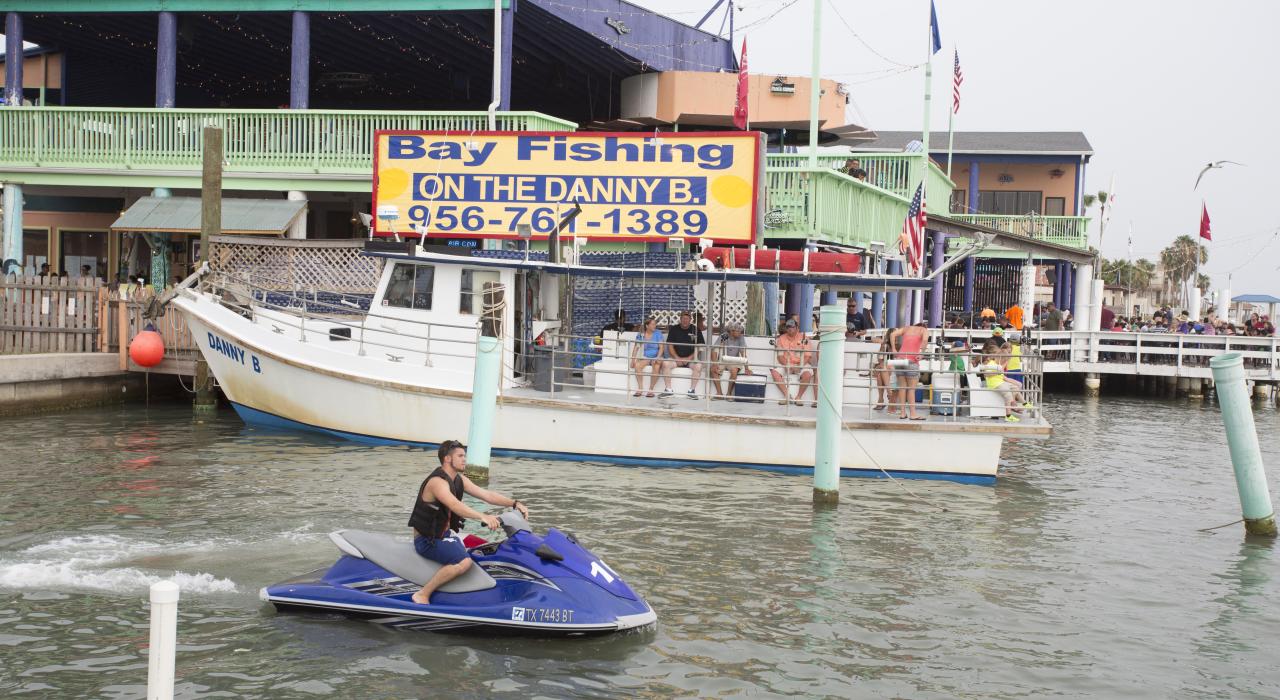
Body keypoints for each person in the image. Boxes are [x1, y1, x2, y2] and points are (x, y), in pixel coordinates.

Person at [408, 440, 529, 605]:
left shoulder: (459, 480)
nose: (465, 459)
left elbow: (486, 495)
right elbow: (454, 505)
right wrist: (482, 516)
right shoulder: (437, 482)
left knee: (484, 547)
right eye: (460, 456)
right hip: (427, 541)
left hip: (444, 535)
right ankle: (422, 594)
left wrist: (514, 503)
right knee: (464, 562)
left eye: (465, 455)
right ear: (447, 459)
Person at [977, 342, 1029, 422]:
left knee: (1015, 387)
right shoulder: (991, 364)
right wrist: (997, 371)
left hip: (1000, 382)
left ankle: (1024, 403)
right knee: (1008, 394)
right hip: (994, 384)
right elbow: (986, 374)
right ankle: (1008, 415)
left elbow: (1001, 375)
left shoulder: (997, 364)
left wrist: (1001, 369)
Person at [770, 319, 815, 406]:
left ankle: (798, 397)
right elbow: (780, 357)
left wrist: (799, 367)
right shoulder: (781, 339)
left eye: (792, 327)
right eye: (788, 327)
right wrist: (788, 366)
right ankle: (787, 396)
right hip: (786, 364)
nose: (790, 329)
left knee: (807, 374)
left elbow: (807, 356)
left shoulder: (804, 338)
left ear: (797, 328)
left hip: (801, 364)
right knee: (774, 372)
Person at [889, 321, 928, 420]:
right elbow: (925, 340)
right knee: (911, 389)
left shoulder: (906, 328)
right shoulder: (923, 330)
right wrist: (922, 353)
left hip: (899, 360)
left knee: (902, 388)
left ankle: (902, 413)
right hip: (911, 360)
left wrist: (893, 349)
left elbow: (892, 334)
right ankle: (913, 414)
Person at [662, 310, 704, 399]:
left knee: (699, 366)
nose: (685, 320)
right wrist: (677, 358)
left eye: (687, 318)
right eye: (683, 318)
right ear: (680, 319)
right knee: (665, 363)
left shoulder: (696, 329)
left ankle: (691, 391)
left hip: (691, 360)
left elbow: (700, 347)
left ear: (690, 319)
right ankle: (668, 390)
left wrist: (688, 358)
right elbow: (670, 346)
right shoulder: (674, 329)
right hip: (676, 360)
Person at [710, 322, 751, 398]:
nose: (740, 333)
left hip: (734, 361)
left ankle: (729, 394)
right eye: (738, 331)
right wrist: (715, 364)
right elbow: (714, 350)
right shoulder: (724, 336)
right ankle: (719, 393)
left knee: (734, 371)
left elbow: (743, 352)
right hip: (723, 360)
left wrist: (747, 368)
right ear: (731, 331)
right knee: (713, 369)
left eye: (740, 331)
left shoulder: (741, 337)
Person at [631, 316, 664, 398]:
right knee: (637, 366)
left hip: (657, 355)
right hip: (646, 356)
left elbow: (661, 347)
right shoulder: (641, 334)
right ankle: (640, 388)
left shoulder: (658, 333)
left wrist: (657, 357)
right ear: (647, 326)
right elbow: (636, 348)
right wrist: (632, 360)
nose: (654, 326)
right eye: (652, 324)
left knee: (656, 366)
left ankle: (651, 390)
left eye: (655, 324)